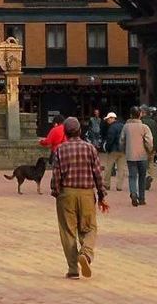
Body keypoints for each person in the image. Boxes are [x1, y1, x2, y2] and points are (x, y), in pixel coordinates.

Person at [49, 117, 109, 280]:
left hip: (66, 194)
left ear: (66, 133)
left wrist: (56, 192)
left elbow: (56, 175)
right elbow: (98, 174)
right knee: (89, 228)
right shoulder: (90, 148)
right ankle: (86, 253)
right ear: (80, 131)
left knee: (68, 231)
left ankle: (73, 268)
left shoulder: (60, 150)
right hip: (86, 193)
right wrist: (102, 195)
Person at [120, 106, 153, 206]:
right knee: (142, 177)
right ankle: (142, 198)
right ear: (140, 115)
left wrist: (124, 150)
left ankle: (133, 193)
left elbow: (122, 140)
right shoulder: (144, 127)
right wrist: (149, 150)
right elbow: (149, 141)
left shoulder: (126, 127)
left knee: (132, 176)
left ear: (131, 115)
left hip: (130, 155)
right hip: (142, 155)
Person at [101, 112, 125, 192]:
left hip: (113, 150)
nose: (107, 121)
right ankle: (119, 186)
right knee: (121, 169)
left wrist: (107, 148)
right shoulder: (122, 126)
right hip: (122, 150)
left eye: (108, 119)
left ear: (112, 118)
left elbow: (110, 139)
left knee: (108, 168)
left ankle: (107, 184)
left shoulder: (112, 128)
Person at [140, 107, 157, 187]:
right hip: (153, 147)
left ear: (144, 113)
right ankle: (150, 176)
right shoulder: (154, 122)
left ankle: (144, 178)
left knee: (142, 163)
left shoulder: (141, 122)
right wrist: (156, 147)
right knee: (150, 163)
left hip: (143, 146)